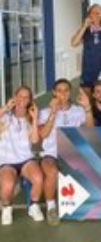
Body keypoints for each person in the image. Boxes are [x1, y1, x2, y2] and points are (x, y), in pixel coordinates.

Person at [39, 79, 94, 226]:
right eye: (59, 90)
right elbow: (43, 134)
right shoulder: (44, 112)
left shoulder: (78, 110)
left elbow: (90, 129)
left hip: (72, 152)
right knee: (52, 171)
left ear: (70, 92)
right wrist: (53, 112)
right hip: (51, 153)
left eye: (66, 90)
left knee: (86, 167)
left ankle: (77, 206)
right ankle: (51, 208)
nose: (63, 94)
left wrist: (87, 107)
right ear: (54, 93)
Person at [0, 86, 44, 226]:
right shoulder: (5, 116)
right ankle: (7, 208)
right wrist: (5, 108)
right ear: (14, 97)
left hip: (26, 160)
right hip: (7, 161)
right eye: (20, 96)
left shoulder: (31, 118)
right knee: (7, 185)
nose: (22, 99)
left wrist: (35, 119)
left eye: (26, 97)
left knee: (38, 178)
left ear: (30, 100)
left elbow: (35, 142)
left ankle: (33, 206)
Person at [71, 4, 101, 94]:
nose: (96, 15)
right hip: (87, 71)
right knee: (87, 96)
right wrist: (84, 26)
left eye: (99, 13)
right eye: (93, 13)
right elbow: (74, 43)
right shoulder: (85, 31)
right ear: (89, 15)